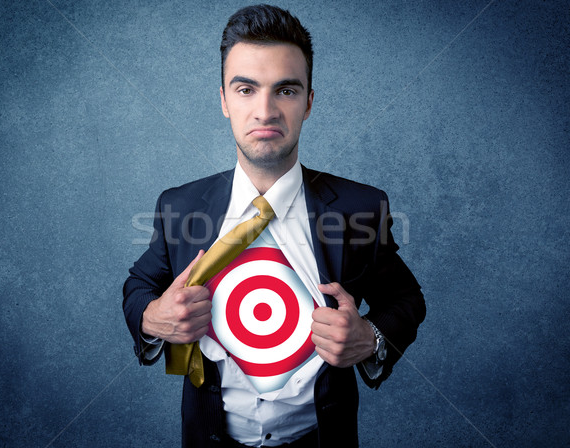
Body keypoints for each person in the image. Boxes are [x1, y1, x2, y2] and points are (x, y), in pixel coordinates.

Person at [123, 4, 425, 448]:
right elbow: (139, 286)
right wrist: (153, 318)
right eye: (246, 89)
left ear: (308, 102)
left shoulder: (361, 208)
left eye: (285, 90)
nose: (265, 111)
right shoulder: (180, 206)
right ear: (224, 100)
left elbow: (405, 298)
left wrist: (371, 337)